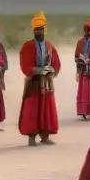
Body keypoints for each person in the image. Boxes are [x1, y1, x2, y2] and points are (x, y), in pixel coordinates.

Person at [18, 11, 61, 146]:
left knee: (46, 108)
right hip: (34, 82)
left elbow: (56, 61)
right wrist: (38, 70)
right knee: (32, 108)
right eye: (38, 30)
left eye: (42, 29)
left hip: (47, 83)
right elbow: (25, 64)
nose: (40, 32)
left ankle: (45, 136)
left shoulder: (49, 46)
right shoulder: (28, 46)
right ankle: (31, 137)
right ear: (34, 31)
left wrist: (52, 70)